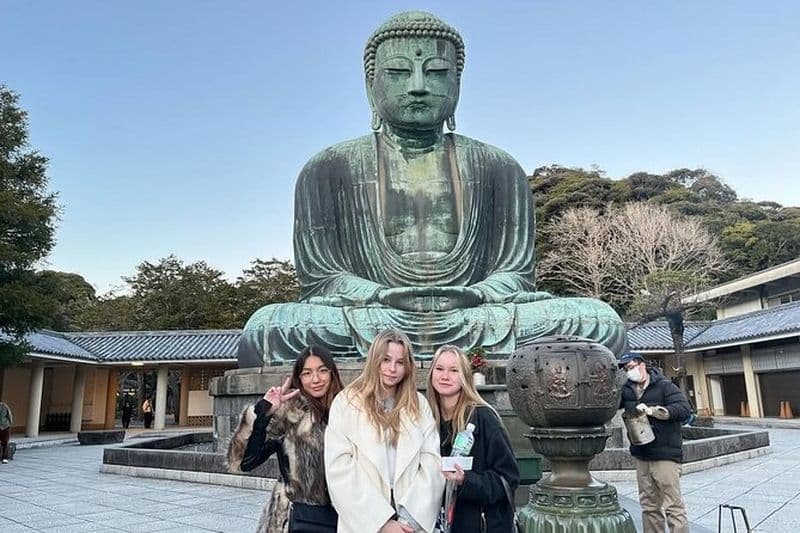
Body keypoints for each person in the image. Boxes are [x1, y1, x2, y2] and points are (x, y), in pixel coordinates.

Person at [236, 10, 627, 366]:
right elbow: (322, 279)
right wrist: (377, 295)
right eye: (399, 73)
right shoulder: (327, 168)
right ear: (371, 87)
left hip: (476, 315)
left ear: (457, 84)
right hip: (371, 314)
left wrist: (477, 294)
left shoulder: (498, 167)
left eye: (437, 72)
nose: (419, 86)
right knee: (267, 328)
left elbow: (515, 274)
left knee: (597, 320)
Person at [324, 329, 444, 532]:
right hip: (364, 522)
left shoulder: (418, 405)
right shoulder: (346, 403)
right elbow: (339, 469)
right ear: (374, 360)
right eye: (386, 360)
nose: (392, 369)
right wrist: (381, 523)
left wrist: (408, 521)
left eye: (400, 362)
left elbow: (432, 463)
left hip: (410, 524)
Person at [228, 345, 344, 533]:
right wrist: (263, 412)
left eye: (322, 370)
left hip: (343, 518)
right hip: (293, 520)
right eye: (307, 373)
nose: (316, 379)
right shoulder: (290, 415)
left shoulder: (349, 412)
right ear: (299, 378)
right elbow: (242, 462)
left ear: (332, 373)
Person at [426, 345, 519, 532]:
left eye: (454, 370)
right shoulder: (426, 419)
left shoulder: (484, 417)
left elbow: (509, 478)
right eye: (440, 369)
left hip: (481, 524)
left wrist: (466, 480)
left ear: (465, 376)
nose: (445, 376)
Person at [619, 352, 692, 533]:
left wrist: (655, 411)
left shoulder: (664, 386)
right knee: (649, 505)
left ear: (642, 364)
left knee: (672, 505)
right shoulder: (627, 390)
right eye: (625, 369)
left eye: (630, 367)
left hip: (665, 454)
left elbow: (684, 409)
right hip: (642, 453)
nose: (628, 372)